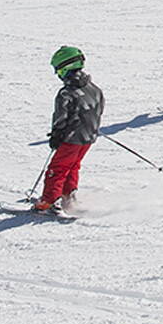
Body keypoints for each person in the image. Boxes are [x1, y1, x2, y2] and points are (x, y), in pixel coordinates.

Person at [37, 45, 103, 213]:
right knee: (72, 165)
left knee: (57, 169)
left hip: (71, 139)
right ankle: (68, 195)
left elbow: (61, 118)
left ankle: (49, 201)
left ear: (66, 68)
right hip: (88, 138)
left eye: (58, 71)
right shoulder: (94, 88)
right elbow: (98, 109)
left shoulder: (66, 93)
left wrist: (57, 135)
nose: (58, 75)